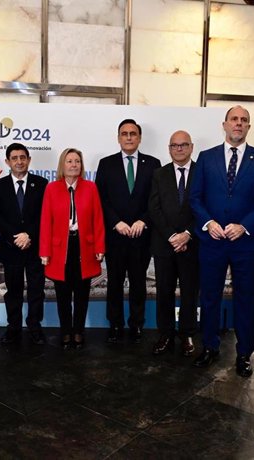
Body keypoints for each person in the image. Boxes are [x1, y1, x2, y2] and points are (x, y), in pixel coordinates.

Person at [188, 105, 254, 375]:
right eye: (234, 119)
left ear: (248, 127)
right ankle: (210, 347)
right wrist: (208, 223)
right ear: (224, 124)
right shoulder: (206, 157)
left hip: (245, 243)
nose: (238, 124)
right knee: (210, 297)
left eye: (244, 120)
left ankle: (244, 353)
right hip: (212, 240)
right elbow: (195, 197)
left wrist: (245, 225)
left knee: (246, 299)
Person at [95, 119, 161, 344]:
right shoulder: (106, 164)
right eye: (125, 134)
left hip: (141, 236)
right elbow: (101, 199)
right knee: (114, 282)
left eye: (133, 133)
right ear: (118, 138)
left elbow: (156, 198)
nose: (129, 137)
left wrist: (143, 220)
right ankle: (114, 324)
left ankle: (136, 324)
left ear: (139, 138)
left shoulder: (153, 164)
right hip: (115, 236)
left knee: (138, 282)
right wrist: (116, 222)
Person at [40, 148, 105, 349]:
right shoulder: (52, 188)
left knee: (82, 293)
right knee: (63, 294)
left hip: (84, 247)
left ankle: (78, 331)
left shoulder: (90, 187)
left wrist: (100, 246)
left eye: (77, 161)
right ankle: (65, 331)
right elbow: (45, 221)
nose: (74, 164)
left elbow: (98, 219)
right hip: (60, 249)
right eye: (69, 161)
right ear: (63, 164)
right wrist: (44, 251)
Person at [0, 143, 48, 346]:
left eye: (23, 157)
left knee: (36, 290)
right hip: (10, 247)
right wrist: (16, 236)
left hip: (35, 247)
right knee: (13, 292)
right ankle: (13, 327)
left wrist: (29, 235)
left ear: (29, 159)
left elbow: (45, 215)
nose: (19, 161)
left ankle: (34, 326)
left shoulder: (42, 184)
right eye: (14, 158)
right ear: (7, 162)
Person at [148, 130, 199, 357]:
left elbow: (205, 208)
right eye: (174, 145)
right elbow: (154, 209)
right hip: (164, 244)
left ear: (191, 147)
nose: (179, 149)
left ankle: (187, 334)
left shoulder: (202, 173)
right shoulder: (159, 174)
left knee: (190, 292)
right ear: (169, 149)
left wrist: (187, 234)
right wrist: (172, 236)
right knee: (165, 291)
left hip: (193, 244)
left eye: (183, 145)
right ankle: (165, 334)